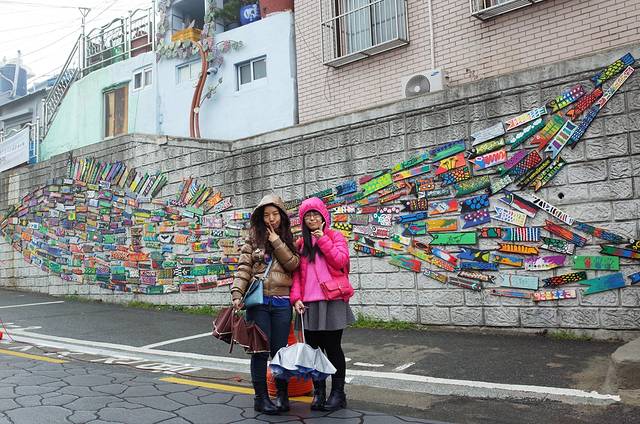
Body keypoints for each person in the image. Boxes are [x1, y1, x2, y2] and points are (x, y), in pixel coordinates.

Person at [231, 194, 300, 415]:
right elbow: (244, 268)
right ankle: (260, 398)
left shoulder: (289, 237)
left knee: (280, 352)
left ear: (282, 215)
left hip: (281, 303)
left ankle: (282, 395)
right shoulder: (253, 239)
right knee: (259, 352)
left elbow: (293, 264)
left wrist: (276, 241)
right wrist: (237, 293)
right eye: (267, 215)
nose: (271, 219)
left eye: (275, 214)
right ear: (260, 217)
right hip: (258, 302)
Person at [290, 197, 355, 411]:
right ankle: (319, 392)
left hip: (332, 301)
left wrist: (323, 239)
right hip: (308, 305)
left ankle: (338, 393)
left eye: (315, 215)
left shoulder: (335, 236)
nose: (312, 219)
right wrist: (296, 298)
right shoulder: (301, 244)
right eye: (307, 216)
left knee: (333, 348)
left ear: (324, 216)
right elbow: (296, 275)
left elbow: (341, 261)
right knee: (313, 351)